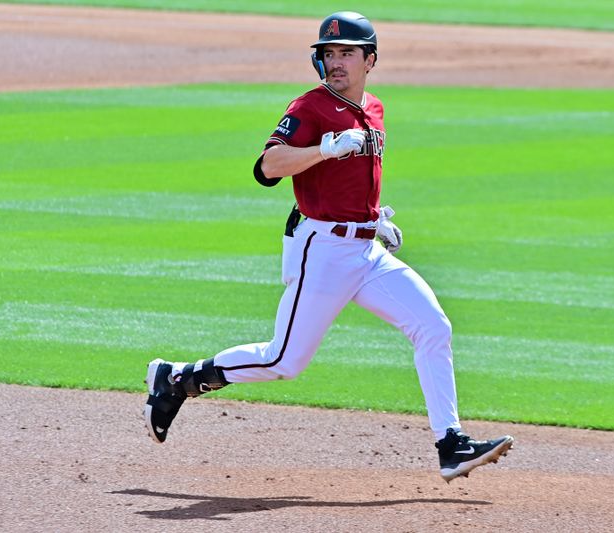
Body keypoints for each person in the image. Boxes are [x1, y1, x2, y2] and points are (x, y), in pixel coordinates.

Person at [144, 11, 514, 483]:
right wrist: (324, 149)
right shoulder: (310, 108)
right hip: (323, 251)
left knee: (432, 326)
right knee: (284, 360)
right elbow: (267, 167)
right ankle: (178, 378)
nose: (336, 62)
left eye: (346, 53)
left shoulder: (373, 108)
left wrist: (372, 217)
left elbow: (352, 179)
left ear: (370, 60)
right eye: (329, 54)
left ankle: (451, 444)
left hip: (365, 253)